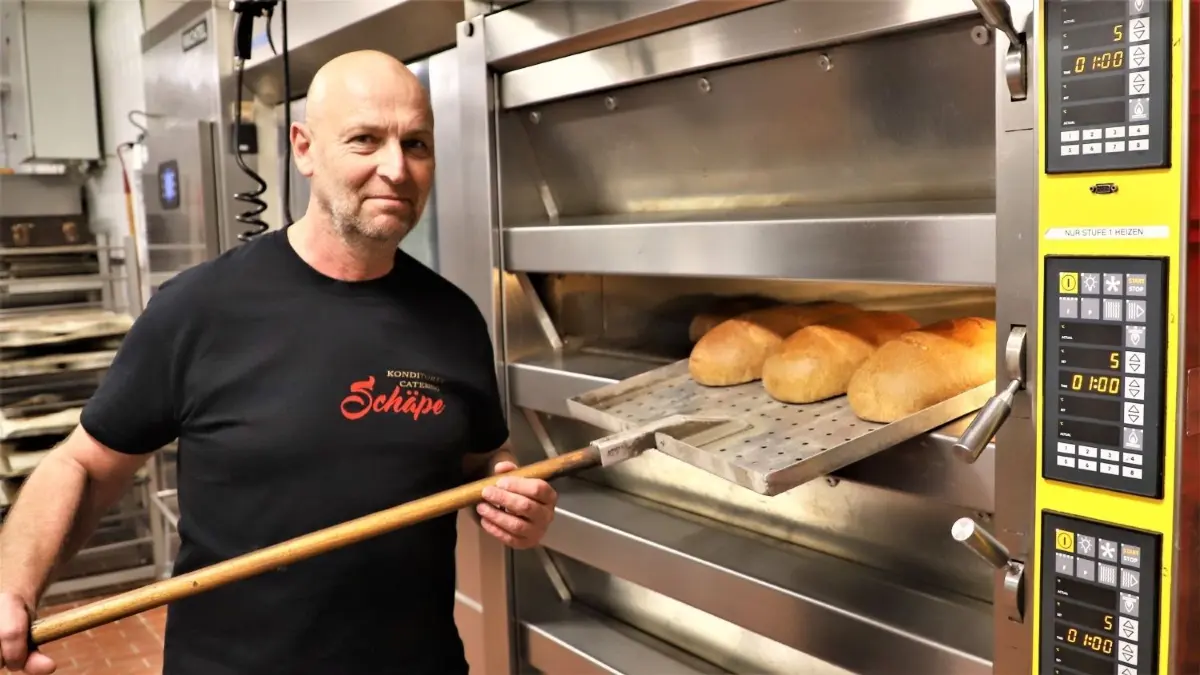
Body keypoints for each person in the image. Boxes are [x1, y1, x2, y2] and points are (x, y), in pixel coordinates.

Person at [0, 50, 558, 675]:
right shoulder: (201, 308)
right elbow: (83, 463)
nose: (396, 169)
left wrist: (509, 489)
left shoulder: (455, 319)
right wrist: (12, 590)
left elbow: (481, 457)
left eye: (417, 143)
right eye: (365, 140)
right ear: (304, 148)